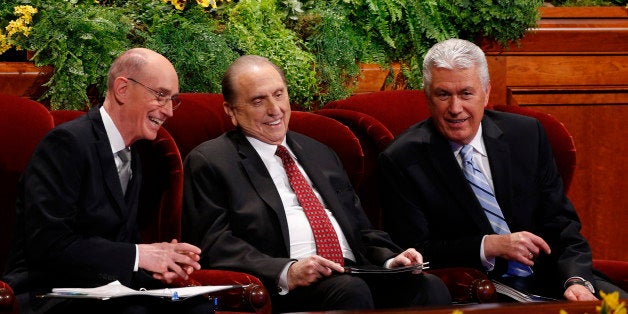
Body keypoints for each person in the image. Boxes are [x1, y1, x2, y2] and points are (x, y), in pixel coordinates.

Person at [182, 55, 451, 312]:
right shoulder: (211, 161)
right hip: (287, 287)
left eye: (279, 94)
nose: (274, 110)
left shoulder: (320, 153)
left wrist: (391, 259)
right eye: (257, 101)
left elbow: (360, 230)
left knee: (428, 287)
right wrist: (287, 271)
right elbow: (214, 244)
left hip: (355, 270)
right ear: (231, 111)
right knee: (350, 290)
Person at [378, 38, 628, 301]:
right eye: (443, 94)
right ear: (428, 98)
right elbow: (416, 252)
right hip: (481, 289)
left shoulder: (526, 136)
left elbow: (562, 226)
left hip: (553, 278)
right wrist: (489, 245)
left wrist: (575, 280)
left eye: (466, 93)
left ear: (486, 93)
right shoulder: (402, 159)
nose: (455, 108)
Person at [2, 48, 210, 313]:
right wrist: (140, 256)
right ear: (122, 89)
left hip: (105, 289)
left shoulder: (134, 153)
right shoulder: (66, 144)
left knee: (197, 308)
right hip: (48, 291)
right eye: (160, 96)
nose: (168, 111)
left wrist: (158, 265)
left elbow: (120, 242)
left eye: (172, 100)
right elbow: (49, 244)